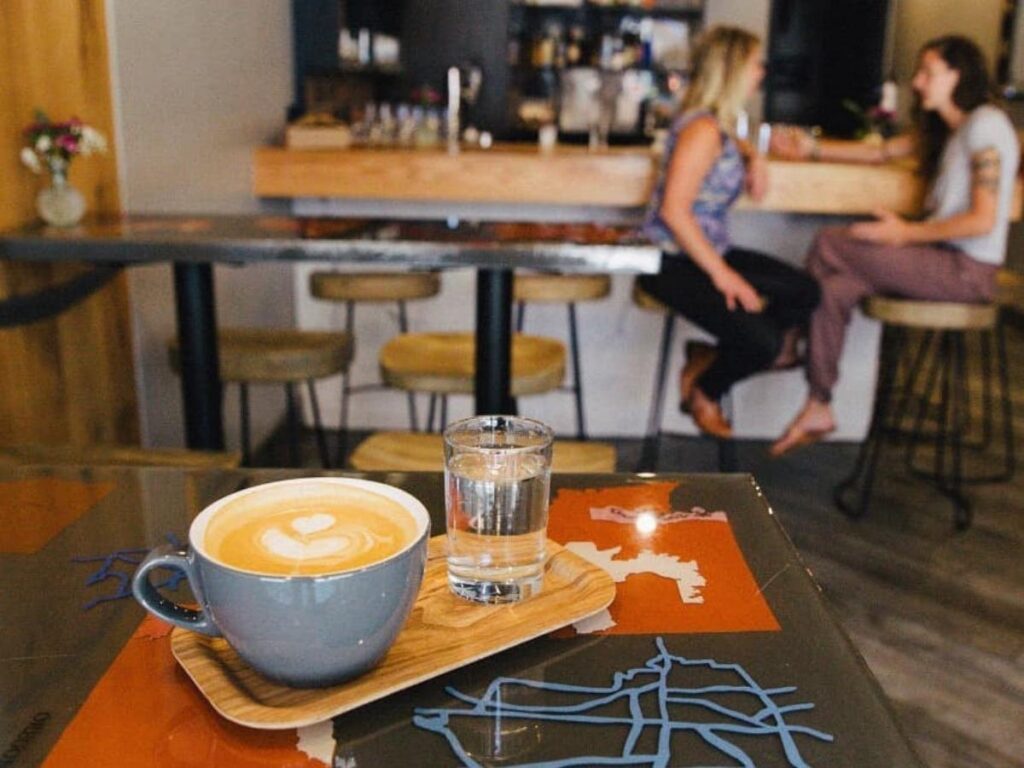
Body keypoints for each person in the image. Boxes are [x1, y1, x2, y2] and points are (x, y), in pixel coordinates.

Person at [770, 35, 1019, 457]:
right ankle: (819, 404)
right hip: (941, 261)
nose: (917, 83)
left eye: (927, 72)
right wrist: (811, 148)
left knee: (829, 242)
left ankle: (786, 342)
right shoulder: (949, 130)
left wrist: (904, 233)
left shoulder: (985, 125)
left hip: (966, 271)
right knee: (834, 288)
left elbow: (982, 220)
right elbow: (880, 153)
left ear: (958, 75)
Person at [639, 26, 820, 438]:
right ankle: (706, 389)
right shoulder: (702, 131)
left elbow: (728, 145)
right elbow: (673, 211)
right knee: (765, 343)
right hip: (669, 262)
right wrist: (725, 277)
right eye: (756, 64)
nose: (762, 72)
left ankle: (711, 357)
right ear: (732, 69)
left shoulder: (712, 126)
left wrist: (753, 155)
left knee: (804, 291)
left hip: (704, 252)